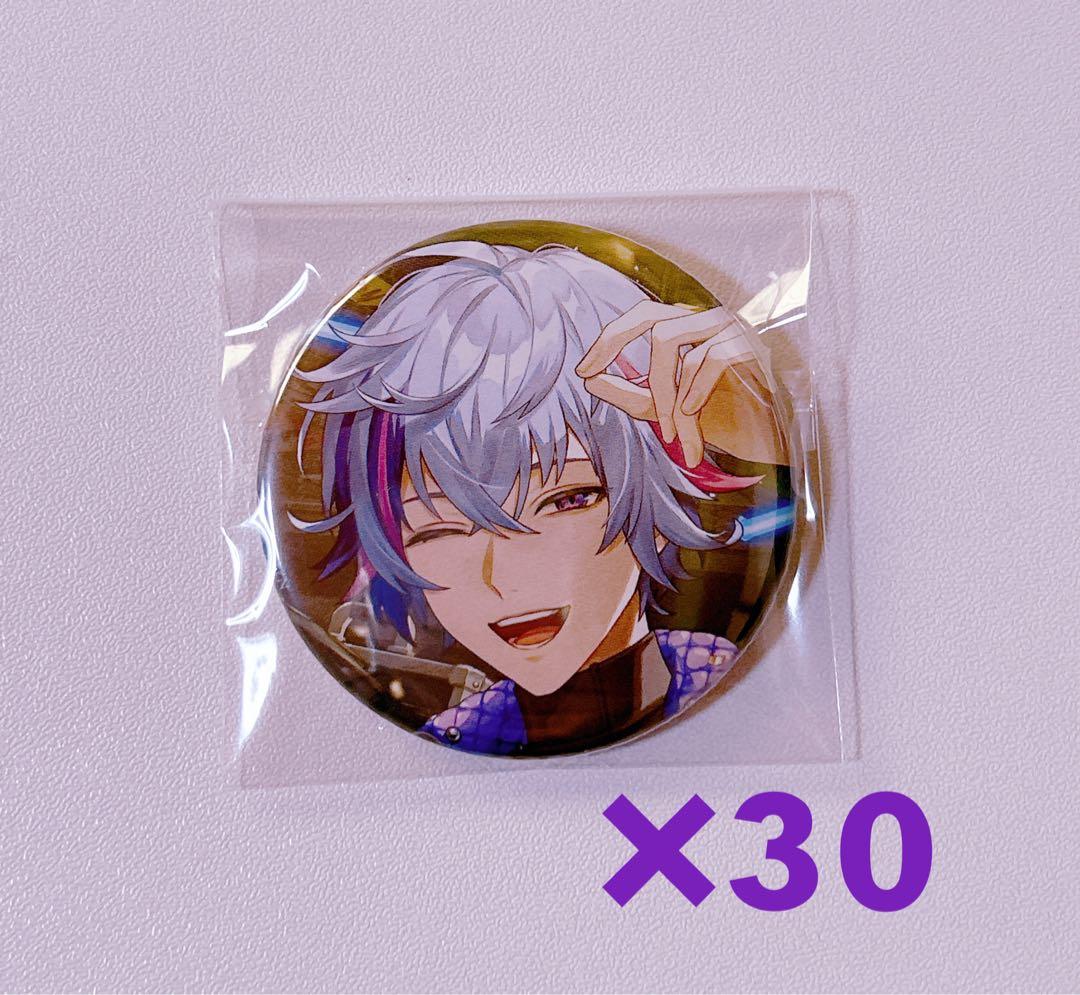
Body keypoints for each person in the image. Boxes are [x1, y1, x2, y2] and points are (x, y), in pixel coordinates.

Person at [292, 240, 785, 755]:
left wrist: (759, 428)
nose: (502, 577)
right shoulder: (449, 731)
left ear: (657, 489)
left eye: (568, 500)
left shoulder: (745, 693)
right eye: (438, 529)